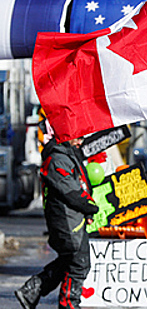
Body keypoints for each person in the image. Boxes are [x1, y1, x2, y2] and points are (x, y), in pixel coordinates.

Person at [15, 121, 99, 309]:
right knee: (78, 264)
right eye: (78, 137)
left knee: (70, 261)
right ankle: (68, 304)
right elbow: (70, 192)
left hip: (72, 220)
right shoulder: (57, 159)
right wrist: (90, 206)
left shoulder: (67, 155)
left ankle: (31, 290)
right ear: (67, 137)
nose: (81, 142)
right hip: (66, 222)